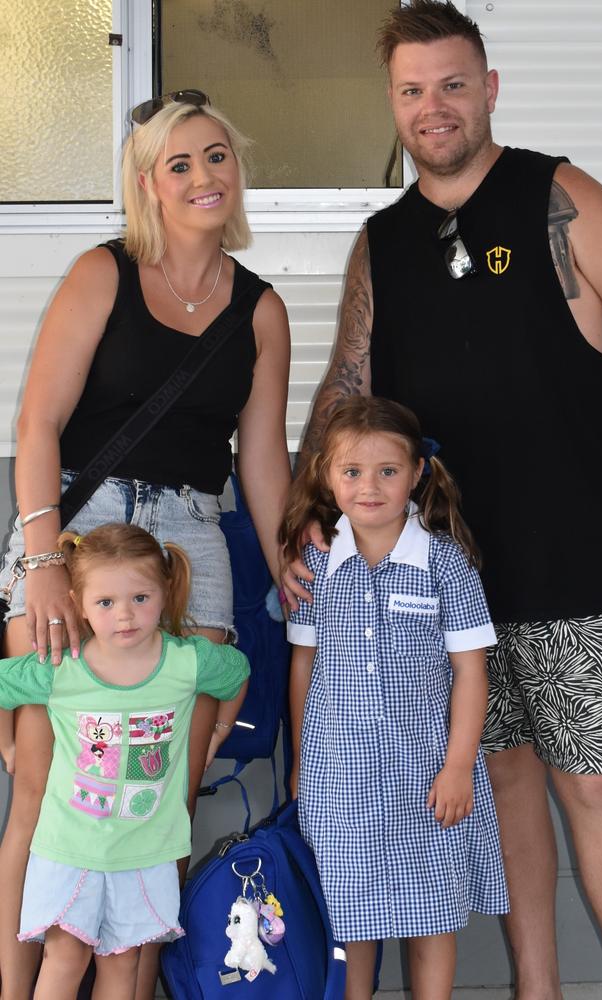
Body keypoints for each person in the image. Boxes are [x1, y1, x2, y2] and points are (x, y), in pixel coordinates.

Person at [285, 3, 602, 997]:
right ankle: (535, 987)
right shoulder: (382, 241)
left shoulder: (555, 195)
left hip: (570, 552)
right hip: (442, 572)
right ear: (392, 104)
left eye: (451, 84)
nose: (431, 107)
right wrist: (301, 520)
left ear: (488, 89)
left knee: (598, 781)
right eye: (410, 90)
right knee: (499, 781)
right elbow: (344, 388)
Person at [0, 91, 291, 999]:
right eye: (181, 164)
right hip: (79, 539)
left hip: (191, 550)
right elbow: (39, 423)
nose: (204, 176)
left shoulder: (262, 309)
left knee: (165, 802)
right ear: (148, 185)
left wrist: (291, 565)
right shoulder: (102, 273)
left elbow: (263, 463)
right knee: (44, 791)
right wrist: (44, 561)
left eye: (217, 157)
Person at [282, 396, 508, 1000]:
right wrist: (304, 760)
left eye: (387, 471)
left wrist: (460, 765)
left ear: (416, 473)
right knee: (351, 915)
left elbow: (470, 672)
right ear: (327, 478)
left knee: (431, 914)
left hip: (428, 772)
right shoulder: (316, 563)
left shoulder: (445, 566)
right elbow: (303, 666)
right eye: (352, 472)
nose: (370, 487)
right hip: (341, 775)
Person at [0, 523, 250, 1000]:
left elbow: (237, 672)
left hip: (147, 855)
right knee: (65, 959)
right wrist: (8, 744)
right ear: (78, 603)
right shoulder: (61, 667)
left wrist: (219, 731)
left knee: (123, 965)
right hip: (69, 853)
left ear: (165, 590)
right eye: (106, 603)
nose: (125, 616)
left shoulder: (189, 661)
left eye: (140, 597)